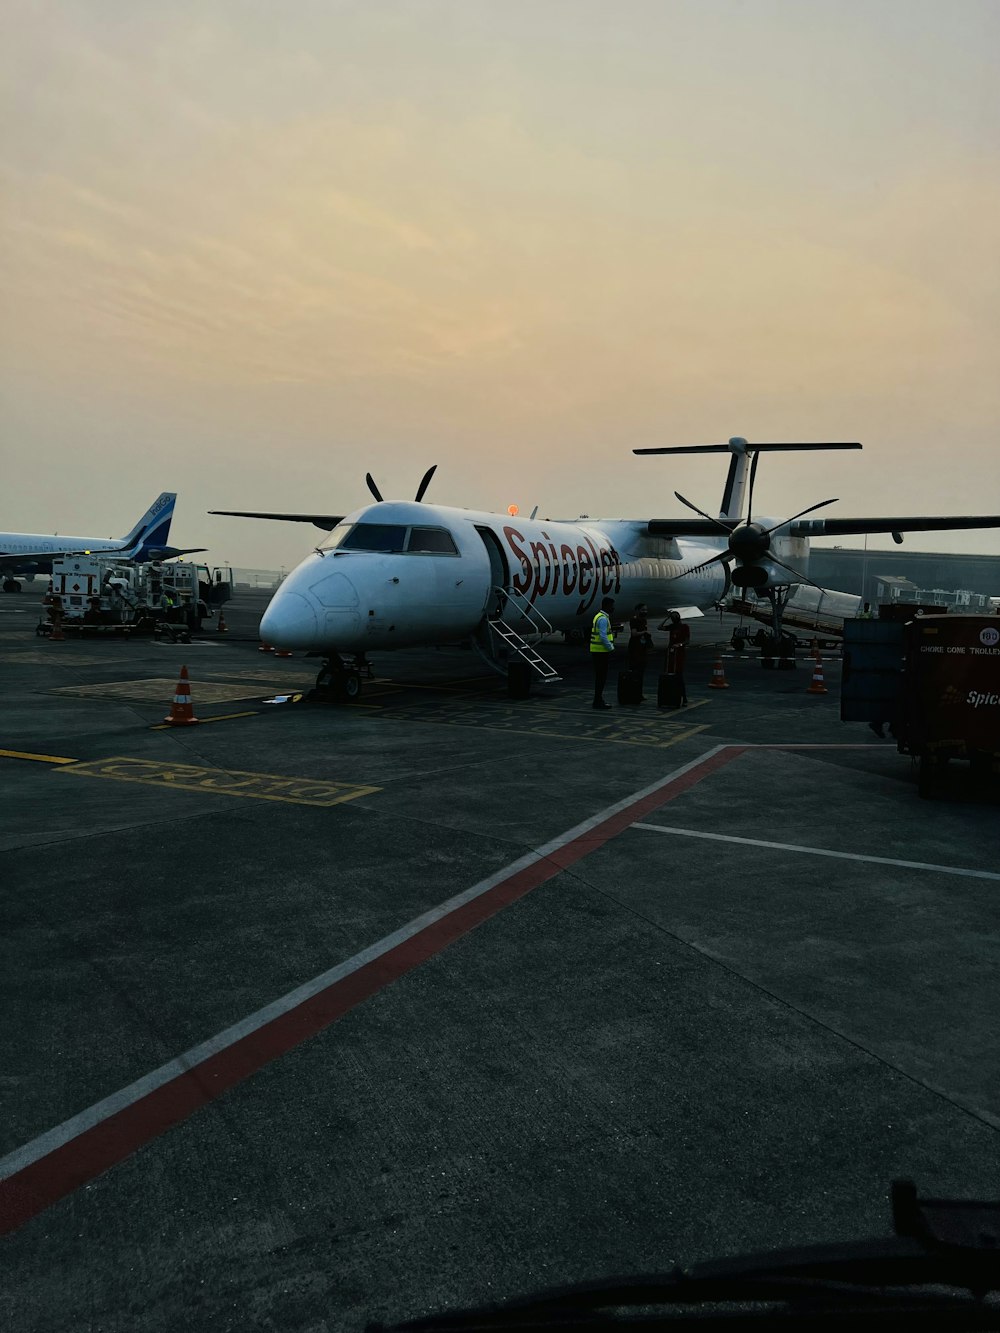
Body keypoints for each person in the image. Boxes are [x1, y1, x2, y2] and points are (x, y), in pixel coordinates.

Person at [590, 597, 615, 709]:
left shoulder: (598, 616)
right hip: (601, 652)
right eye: (612, 606)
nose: (613, 608)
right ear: (607, 606)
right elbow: (603, 636)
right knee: (601, 678)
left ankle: (598, 699)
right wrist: (610, 648)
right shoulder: (603, 619)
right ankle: (598, 700)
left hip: (597, 651)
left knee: (599, 677)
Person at [627, 603, 652, 700]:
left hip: (642, 648)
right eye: (643, 610)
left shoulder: (643, 620)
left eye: (645, 610)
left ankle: (638, 693)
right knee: (635, 671)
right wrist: (644, 633)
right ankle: (633, 693)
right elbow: (634, 633)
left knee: (641, 672)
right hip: (635, 648)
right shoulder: (634, 620)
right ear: (637, 610)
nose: (645, 612)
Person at [666, 610, 691, 705]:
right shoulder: (672, 627)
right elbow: (660, 627)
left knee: (679, 675)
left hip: (679, 653)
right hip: (671, 653)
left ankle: (683, 697)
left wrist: (679, 644)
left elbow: (687, 641)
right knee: (670, 674)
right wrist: (666, 618)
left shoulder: (684, 627)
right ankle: (671, 696)